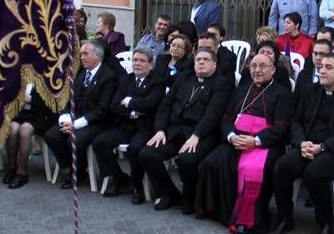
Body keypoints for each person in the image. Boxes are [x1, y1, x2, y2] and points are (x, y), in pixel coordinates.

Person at [268, 54, 334, 234]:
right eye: (320, 66)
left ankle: (326, 224)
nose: (322, 70)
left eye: (328, 67)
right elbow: (296, 121)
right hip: (308, 146)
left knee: (314, 172)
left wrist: (323, 147)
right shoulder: (310, 91)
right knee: (282, 166)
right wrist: (301, 142)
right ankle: (284, 218)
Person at [195, 53, 292, 234]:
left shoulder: (282, 93)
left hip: (264, 145)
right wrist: (231, 136)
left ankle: (245, 222)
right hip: (236, 140)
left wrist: (255, 141)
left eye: (262, 66)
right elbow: (225, 119)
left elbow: (282, 128)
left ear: (273, 69)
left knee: (251, 171)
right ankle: (220, 211)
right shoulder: (242, 89)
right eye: (253, 66)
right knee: (211, 162)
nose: (257, 70)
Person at [138, 48, 232, 212]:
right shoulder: (183, 78)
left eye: (205, 59)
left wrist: (197, 135)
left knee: (186, 160)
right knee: (147, 154)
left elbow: (213, 113)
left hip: (202, 134)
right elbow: (165, 105)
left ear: (215, 65)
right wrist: (160, 129)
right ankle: (169, 193)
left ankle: (191, 195)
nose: (201, 62)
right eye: (198, 60)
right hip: (175, 131)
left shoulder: (221, 83)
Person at [91, 46, 165, 202]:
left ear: (151, 64)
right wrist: (132, 112)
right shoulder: (125, 80)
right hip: (126, 125)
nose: (137, 64)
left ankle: (137, 186)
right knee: (100, 142)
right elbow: (114, 105)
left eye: (142, 61)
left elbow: (151, 103)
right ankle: (119, 178)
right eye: (135, 60)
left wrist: (129, 101)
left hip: (146, 127)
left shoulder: (157, 81)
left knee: (135, 149)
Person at [44, 40, 118, 188]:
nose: (81, 57)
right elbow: (70, 99)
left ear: (98, 56)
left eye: (85, 54)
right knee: (51, 135)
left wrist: (75, 125)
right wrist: (65, 119)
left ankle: (77, 172)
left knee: (75, 140)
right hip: (75, 117)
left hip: (96, 121)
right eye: (81, 54)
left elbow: (102, 110)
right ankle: (71, 169)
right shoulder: (81, 74)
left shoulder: (109, 77)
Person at [2, 85, 56, 189]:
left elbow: (52, 104)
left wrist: (31, 99)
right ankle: (12, 167)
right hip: (21, 114)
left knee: (25, 129)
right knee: (12, 128)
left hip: (41, 115)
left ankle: (22, 172)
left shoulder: (45, 76)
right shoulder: (19, 75)